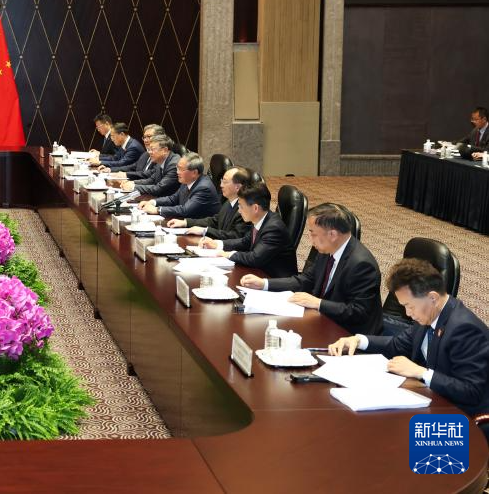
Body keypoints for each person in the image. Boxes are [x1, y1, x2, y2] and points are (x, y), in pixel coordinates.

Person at [328, 258, 489, 441]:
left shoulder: (464, 329)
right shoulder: (429, 314)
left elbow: (471, 391)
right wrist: (358, 341)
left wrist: (421, 372)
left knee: (386, 437)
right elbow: (397, 345)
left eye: (409, 306)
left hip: (466, 418)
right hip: (435, 399)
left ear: (433, 298)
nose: (407, 313)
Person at [241, 203, 382, 335]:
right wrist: (264, 283)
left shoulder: (361, 265)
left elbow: (358, 312)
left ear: (332, 235)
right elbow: (307, 280)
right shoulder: (328, 248)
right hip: (322, 319)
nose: (310, 239)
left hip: (348, 333)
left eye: (313, 233)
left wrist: (318, 303)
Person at [201, 182, 298, 278]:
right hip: (259, 272)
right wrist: (217, 244)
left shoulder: (273, 228)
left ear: (255, 208)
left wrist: (228, 254)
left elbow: (255, 258)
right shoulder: (260, 219)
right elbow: (245, 242)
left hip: (274, 279)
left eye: (241, 206)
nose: (239, 211)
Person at [167, 166, 253, 240]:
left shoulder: (245, 208)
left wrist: (205, 231)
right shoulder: (228, 202)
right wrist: (185, 223)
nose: (221, 185)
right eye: (221, 181)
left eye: (225, 182)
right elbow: (215, 221)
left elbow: (235, 236)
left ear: (237, 187)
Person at [138, 152, 220, 219]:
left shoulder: (204, 188)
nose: (177, 172)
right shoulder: (187, 180)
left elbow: (185, 210)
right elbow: (173, 199)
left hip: (201, 229)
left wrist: (158, 210)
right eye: (177, 168)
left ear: (194, 172)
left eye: (181, 169)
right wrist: (153, 202)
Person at [116, 135, 180, 197]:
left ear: (165, 150)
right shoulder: (161, 160)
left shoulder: (173, 165)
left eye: (152, 149)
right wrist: (132, 182)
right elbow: (151, 180)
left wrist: (133, 187)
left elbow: (159, 188)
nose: (149, 152)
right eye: (149, 149)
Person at [101, 124, 165, 178]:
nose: (145, 140)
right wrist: (110, 170)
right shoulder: (146, 154)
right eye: (144, 137)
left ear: (160, 137)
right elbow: (133, 166)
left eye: (149, 136)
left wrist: (126, 175)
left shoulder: (162, 156)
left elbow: (148, 175)